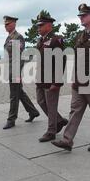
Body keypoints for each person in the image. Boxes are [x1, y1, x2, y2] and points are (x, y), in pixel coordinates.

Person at [51, 3, 90, 152]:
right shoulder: (80, 35)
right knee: (74, 110)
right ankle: (67, 140)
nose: (81, 18)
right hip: (79, 81)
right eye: (80, 15)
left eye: (84, 15)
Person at [35, 12, 68, 142]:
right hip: (41, 78)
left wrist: (57, 81)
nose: (38, 28)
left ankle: (51, 131)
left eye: (41, 25)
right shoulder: (41, 40)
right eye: (38, 25)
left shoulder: (56, 40)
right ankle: (59, 120)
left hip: (51, 80)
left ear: (49, 26)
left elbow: (61, 61)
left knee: (51, 105)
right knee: (41, 101)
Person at [2, 15, 40, 129]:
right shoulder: (9, 37)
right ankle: (33, 111)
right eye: (5, 24)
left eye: (8, 24)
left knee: (14, 95)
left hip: (15, 71)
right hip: (10, 69)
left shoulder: (18, 37)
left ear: (14, 24)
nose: (6, 26)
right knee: (19, 92)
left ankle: (11, 119)